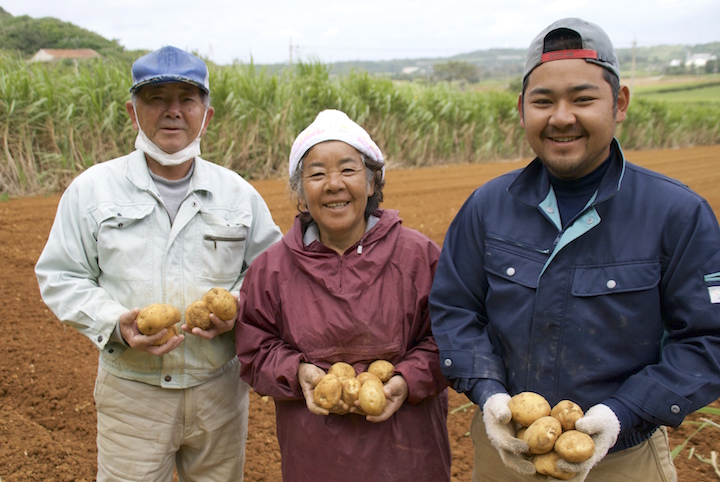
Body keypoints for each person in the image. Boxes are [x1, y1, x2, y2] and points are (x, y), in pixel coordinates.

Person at [429, 17, 720, 482]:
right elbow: (454, 309)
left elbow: (709, 339)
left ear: (618, 103)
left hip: (622, 460)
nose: (561, 117)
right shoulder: (487, 207)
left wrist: (623, 415)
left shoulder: (678, 214)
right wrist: (490, 395)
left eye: (583, 99)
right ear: (522, 110)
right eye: (543, 102)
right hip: (506, 453)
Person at [35, 46, 283, 481]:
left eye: (187, 100)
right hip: (132, 395)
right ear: (133, 113)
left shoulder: (239, 195)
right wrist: (115, 322)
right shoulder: (92, 190)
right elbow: (60, 274)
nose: (173, 112)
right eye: (156, 99)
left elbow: (272, 276)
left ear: (206, 115)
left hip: (218, 394)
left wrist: (238, 308)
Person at [234, 109, 452, 481]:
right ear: (300, 191)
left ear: (371, 183)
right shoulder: (272, 269)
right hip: (315, 455)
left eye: (348, 170)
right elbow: (254, 347)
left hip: (410, 456)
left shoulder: (419, 257)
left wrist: (406, 380)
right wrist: (295, 371)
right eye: (317, 174)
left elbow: (449, 340)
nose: (333, 184)